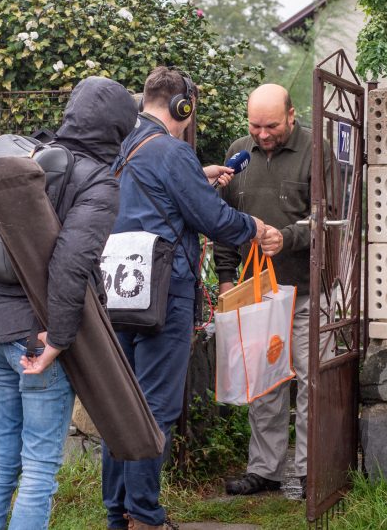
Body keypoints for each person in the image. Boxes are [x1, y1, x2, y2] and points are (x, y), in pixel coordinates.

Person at [102, 66, 267, 530]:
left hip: (118, 293)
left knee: (120, 406)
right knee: (155, 408)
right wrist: (255, 227)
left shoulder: (124, 149)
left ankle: (119, 514)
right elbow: (214, 220)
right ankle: (144, 515)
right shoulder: (173, 152)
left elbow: (155, 204)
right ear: (183, 106)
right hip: (163, 294)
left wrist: (198, 176)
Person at [0, 76, 138, 529]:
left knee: (1, 458)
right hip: (36, 336)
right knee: (40, 467)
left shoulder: (25, 158)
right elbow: (69, 265)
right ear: (117, 131)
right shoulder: (99, 182)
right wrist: (59, 340)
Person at [216, 83, 330, 499]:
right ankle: (265, 470)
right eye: (255, 126)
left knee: (308, 378)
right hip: (255, 292)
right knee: (263, 381)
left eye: (272, 126)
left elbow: (329, 217)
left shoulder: (314, 150)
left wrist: (287, 238)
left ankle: (307, 472)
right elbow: (224, 221)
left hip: (303, 290)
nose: (262, 135)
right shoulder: (237, 151)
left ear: (292, 115)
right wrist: (227, 279)